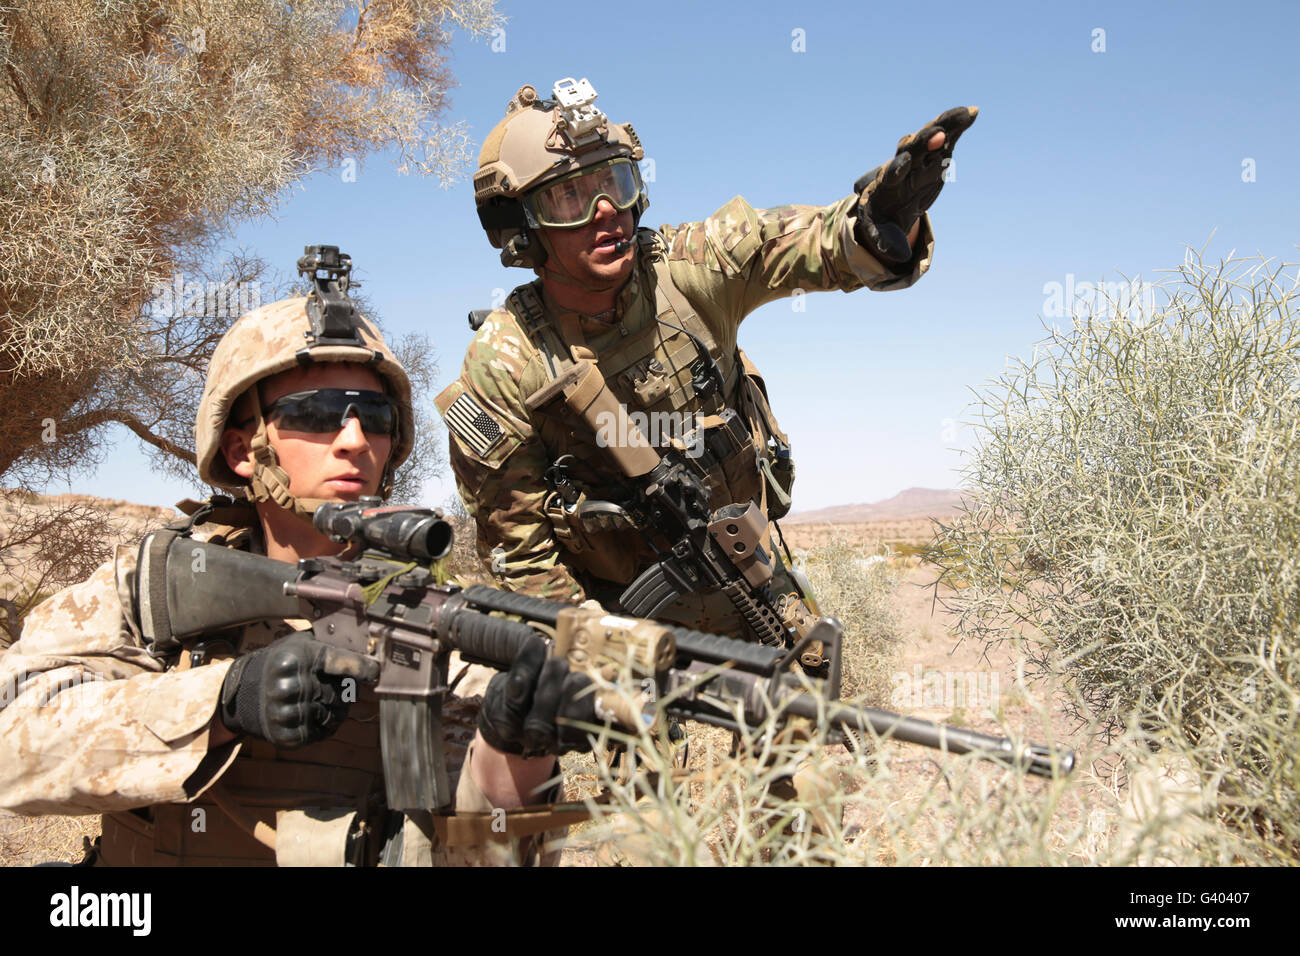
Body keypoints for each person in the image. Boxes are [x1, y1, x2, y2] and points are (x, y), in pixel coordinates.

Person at [0, 248, 581, 865]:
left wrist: (516, 756)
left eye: (375, 417)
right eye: (317, 414)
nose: (354, 441)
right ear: (243, 450)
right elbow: (12, 744)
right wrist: (222, 702)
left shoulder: (432, 620)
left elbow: (482, 853)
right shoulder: (153, 589)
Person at [438, 77, 976, 640]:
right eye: (570, 196)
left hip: (752, 578)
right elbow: (521, 555)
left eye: (615, 183)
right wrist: (604, 660)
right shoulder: (504, 362)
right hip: (618, 620)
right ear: (522, 224)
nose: (606, 212)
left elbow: (789, 242)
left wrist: (877, 224)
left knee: (806, 713)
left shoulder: (686, 267)